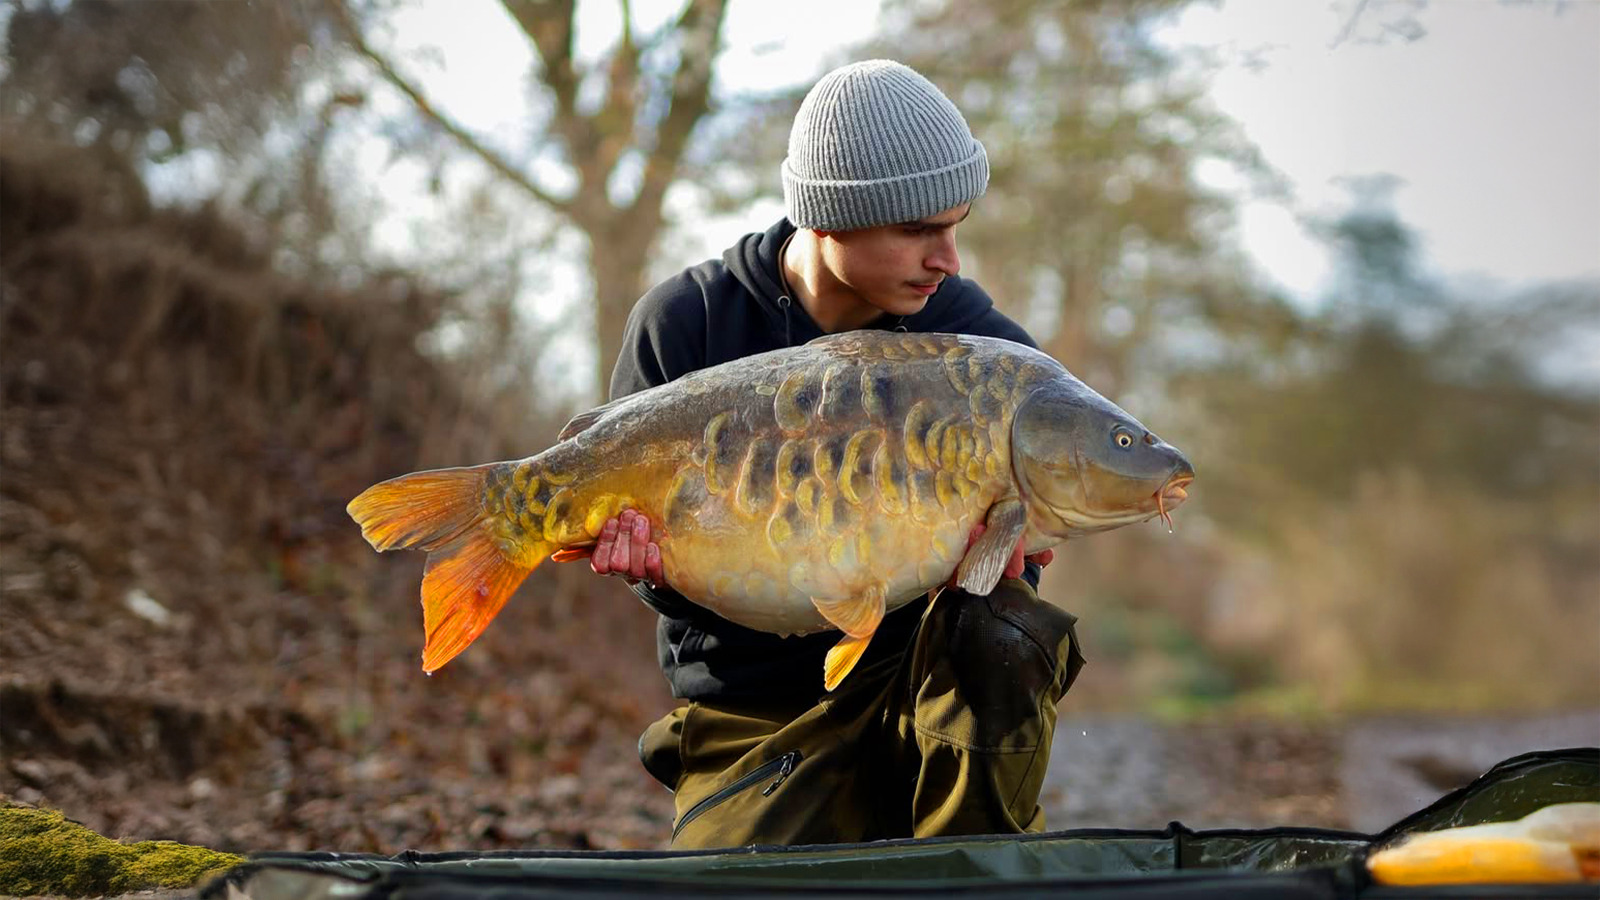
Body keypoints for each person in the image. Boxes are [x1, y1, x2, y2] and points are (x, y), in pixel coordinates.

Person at [589, 59, 1084, 849]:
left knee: (1002, 627)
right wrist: (655, 572)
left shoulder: (984, 355)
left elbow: (1008, 581)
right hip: (751, 711)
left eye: (955, 227)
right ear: (827, 218)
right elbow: (677, 595)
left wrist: (1007, 559)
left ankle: (976, 859)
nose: (948, 259)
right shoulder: (685, 324)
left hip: (923, 682)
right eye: (918, 230)